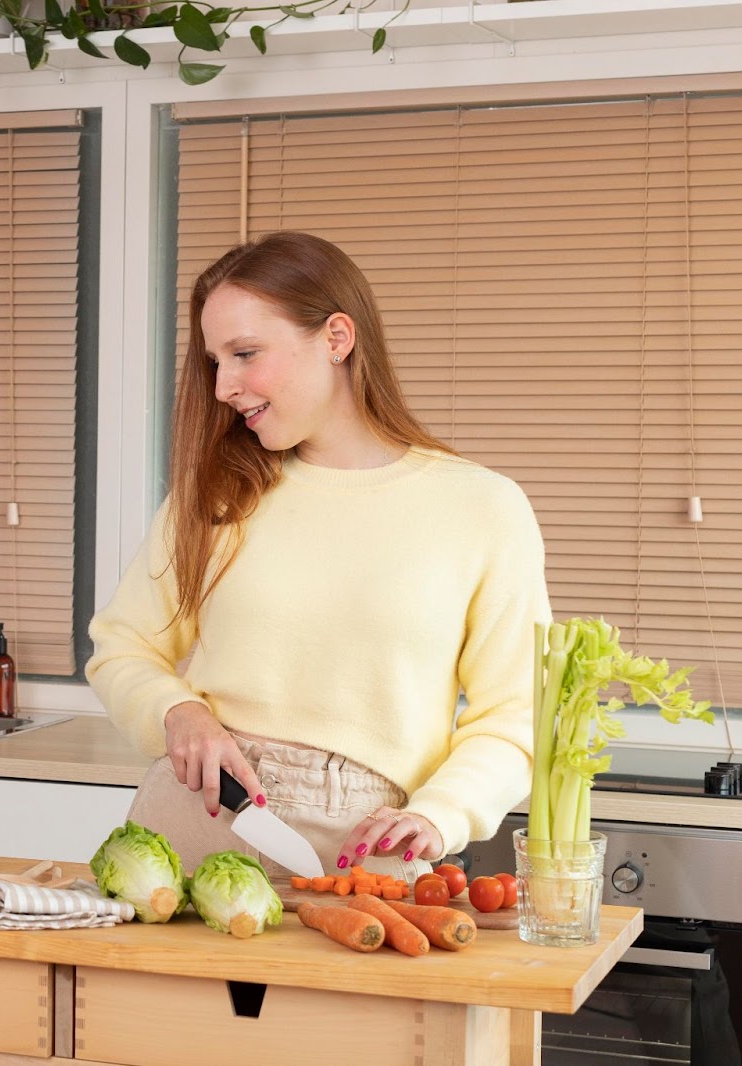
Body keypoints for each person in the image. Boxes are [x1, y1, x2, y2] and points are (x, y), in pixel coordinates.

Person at [87, 231, 550, 881]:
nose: (222, 386)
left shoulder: (482, 508)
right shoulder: (216, 497)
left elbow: (517, 715)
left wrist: (441, 813)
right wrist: (179, 712)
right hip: (200, 812)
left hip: (373, 849)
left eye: (245, 353)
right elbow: (122, 643)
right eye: (215, 361)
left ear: (337, 338)